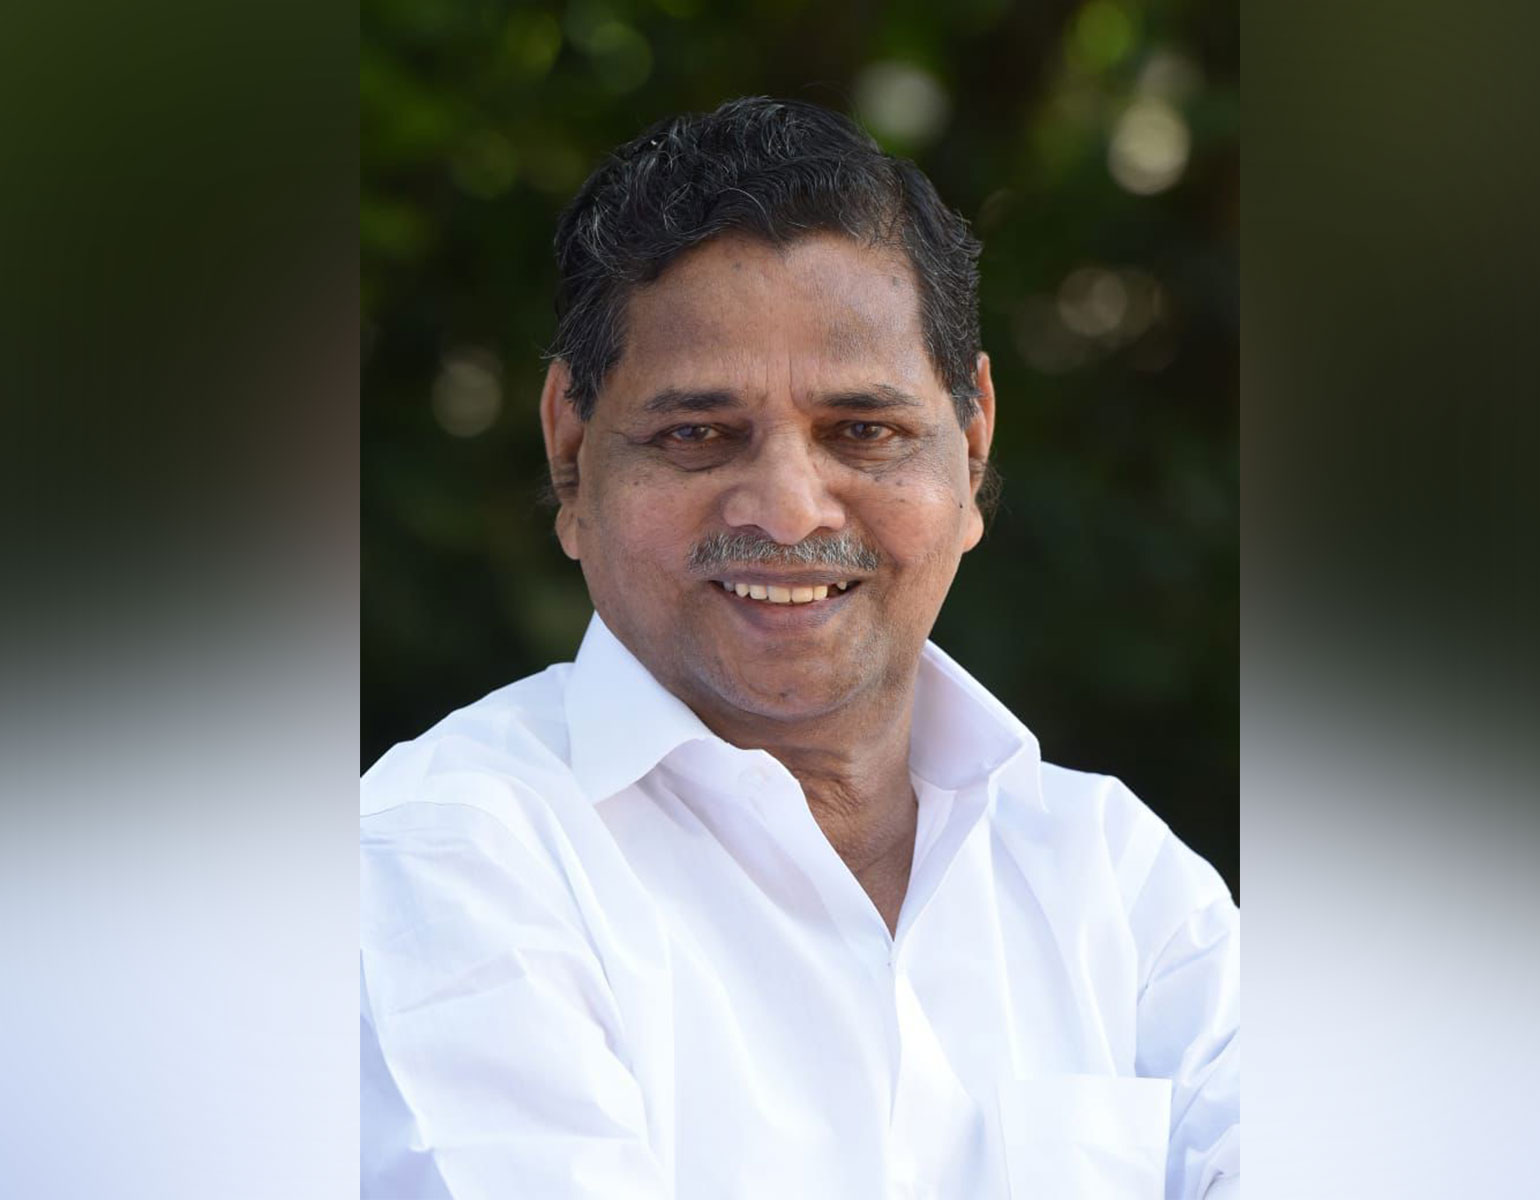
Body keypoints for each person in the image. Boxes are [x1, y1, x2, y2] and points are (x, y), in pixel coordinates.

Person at [361, 96, 1238, 1200]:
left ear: (971, 449)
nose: (786, 510)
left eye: (862, 431)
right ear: (572, 457)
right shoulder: (443, 864)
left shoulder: (1121, 883)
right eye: (697, 434)